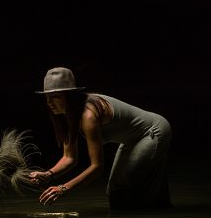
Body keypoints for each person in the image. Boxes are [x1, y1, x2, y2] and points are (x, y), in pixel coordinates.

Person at [29, 67, 173, 209]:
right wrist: (48, 175)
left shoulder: (88, 114)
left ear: (70, 96)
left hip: (152, 131)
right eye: (47, 98)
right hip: (131, 139)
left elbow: (97, 167)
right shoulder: (68, 115)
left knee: (123, 186)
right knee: (115, 191)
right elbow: (70, 158)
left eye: (55, 97)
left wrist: (64, 188)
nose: (49, 103)